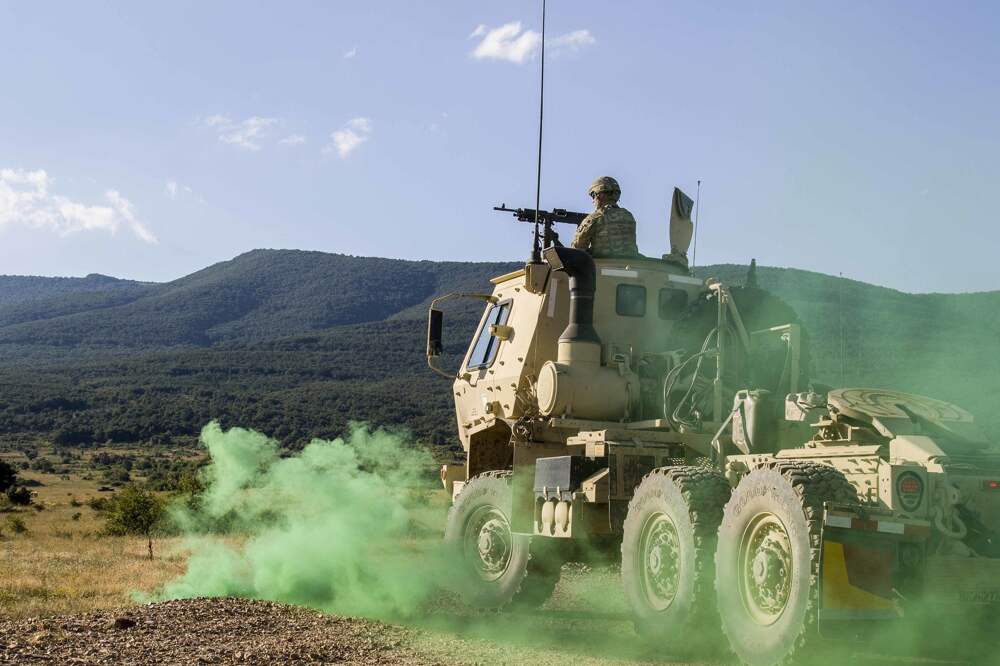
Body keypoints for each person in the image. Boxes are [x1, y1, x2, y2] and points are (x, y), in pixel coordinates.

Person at [571, 176, 639, 258]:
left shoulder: (594, 218)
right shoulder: (628, 216)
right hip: (630, 263)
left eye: (593, 196)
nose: (593, 200)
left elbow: (577, 249)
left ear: (598, 195)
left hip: (602, 264)